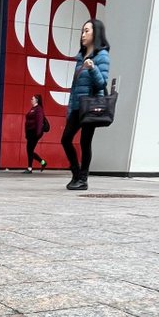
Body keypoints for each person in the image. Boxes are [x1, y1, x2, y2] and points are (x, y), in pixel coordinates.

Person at [61, 19, 110, 191]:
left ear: (95, 33)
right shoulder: (80, 56)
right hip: (77, 106)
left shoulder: (102, 56)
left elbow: (102, 84)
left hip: (90, 107)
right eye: (82, 31)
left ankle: (83, 179)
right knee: (65, 139)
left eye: (86, 31)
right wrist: (69, 110)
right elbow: (74, 87)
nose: (83, 35)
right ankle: (75, 173)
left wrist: (92, 68)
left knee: (85, 142)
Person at [23, 94, 47, 174]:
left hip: (34, 133)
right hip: (30, 133)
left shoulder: (39, 109)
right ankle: (43, 162)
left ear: (36, 100)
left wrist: (38, 133)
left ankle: (30, 168)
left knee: (29, 150)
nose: (31, 100)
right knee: (30, 150)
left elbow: (39, 122)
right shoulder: (32, 109)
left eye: (32, 99)